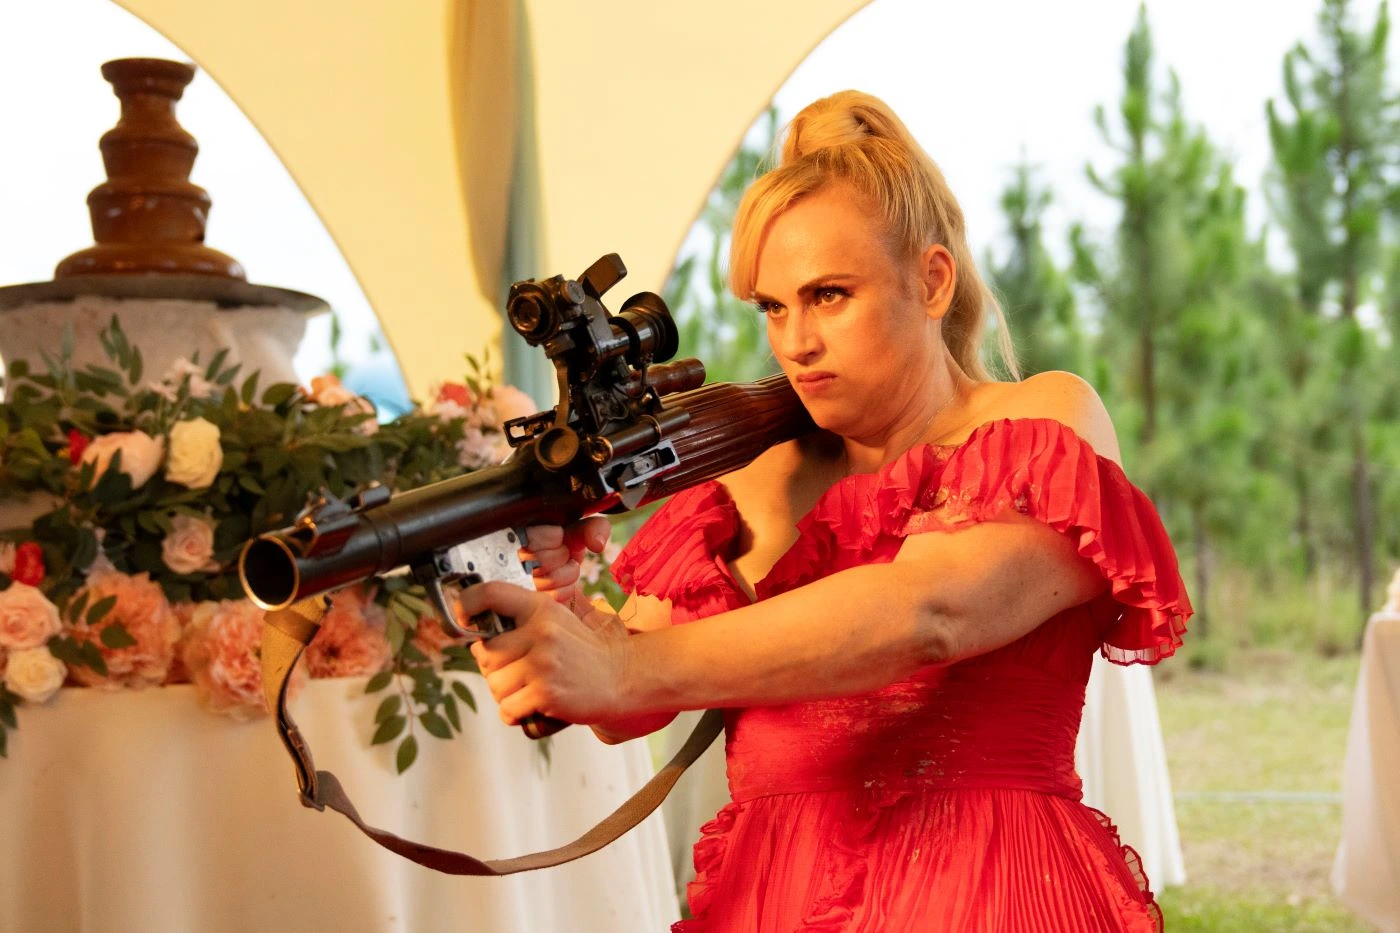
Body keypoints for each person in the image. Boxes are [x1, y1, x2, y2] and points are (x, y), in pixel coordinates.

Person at [463, 90, 1192, 932]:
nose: (795, 342)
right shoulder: (750, 484)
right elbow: (624, 710)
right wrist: (553, 599)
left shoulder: (1040, 420)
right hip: (771, 902)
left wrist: (623, 665)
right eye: (773, 307)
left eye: (830, 295)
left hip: (992, 896)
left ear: (932, 280)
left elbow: (929, 611)